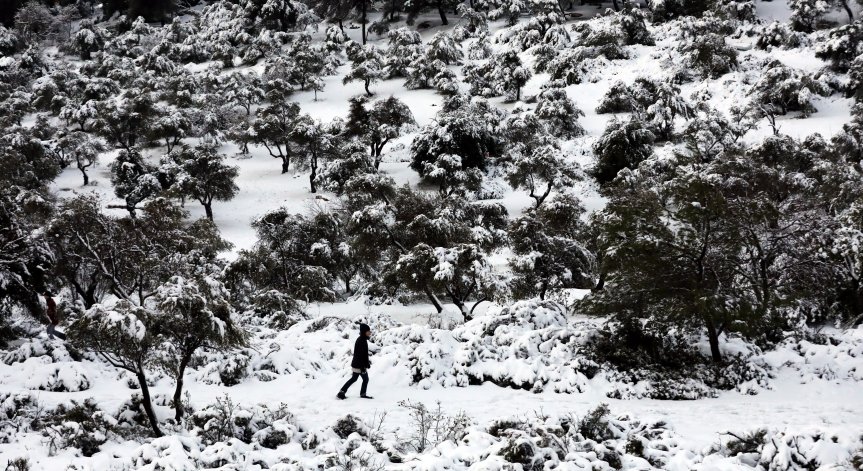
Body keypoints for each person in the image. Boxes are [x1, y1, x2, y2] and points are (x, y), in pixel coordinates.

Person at [337, 322, 373, 400]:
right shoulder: (361, 341)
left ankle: (342, 392)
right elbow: (360, 355)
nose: (370, 332)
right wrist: (363, 367)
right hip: (359, 365)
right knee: (365, 379)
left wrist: (367, 363)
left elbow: (364, 355)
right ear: (364, 332)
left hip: (358, 364)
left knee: (354, 378)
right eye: (368, 331)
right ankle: (362, 394)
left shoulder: (362, 339)